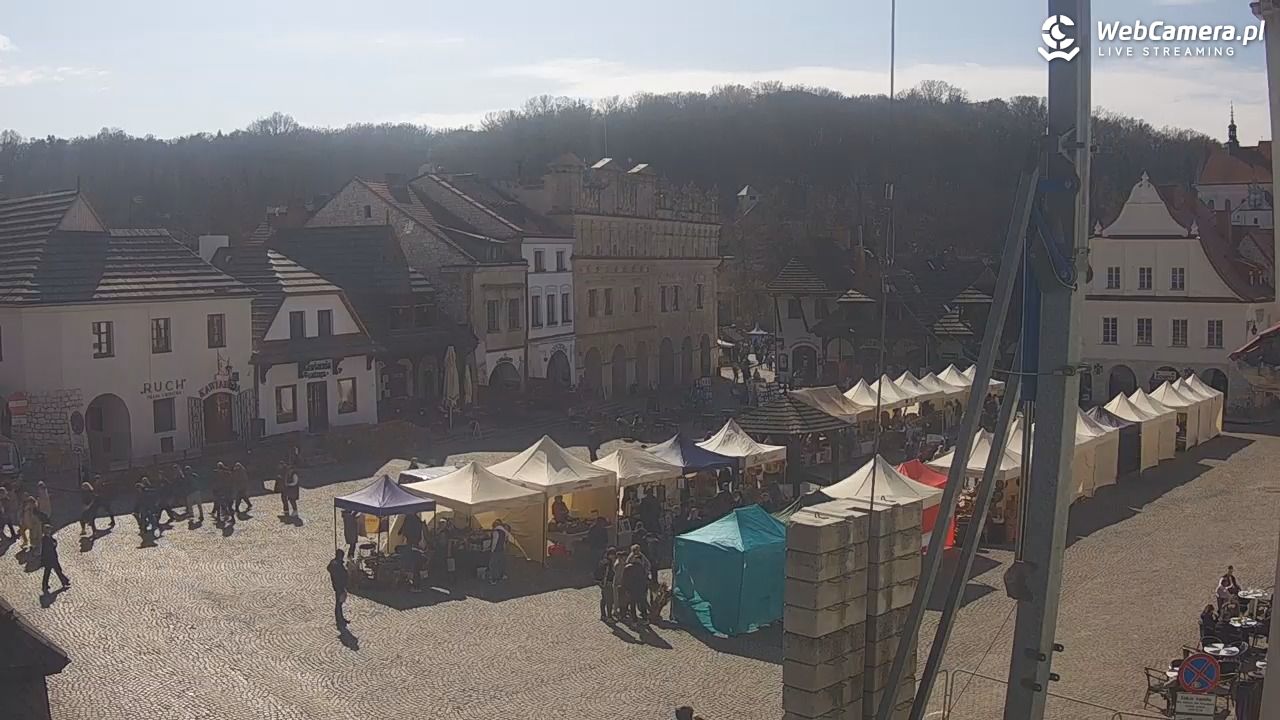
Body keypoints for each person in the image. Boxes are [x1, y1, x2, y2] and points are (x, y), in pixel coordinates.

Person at [622, 545, 650, 623]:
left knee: (639, 602)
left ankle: (642, 617)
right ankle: (636, 619)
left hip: (638, 587)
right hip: (633, 587)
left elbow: (647, 565)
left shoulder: (640, 565)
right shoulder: (629, 567)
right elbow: (626, 579)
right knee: (634, 603)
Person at [39, 525, 70, 596]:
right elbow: (47, 550)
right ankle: (64, 581)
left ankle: (64, 581)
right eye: (49, 530)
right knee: (53, 571)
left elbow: (53, 543)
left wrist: (54, 544)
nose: (50, 531)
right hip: (49, 558)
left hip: (52, 558)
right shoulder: (45, 539)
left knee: (54, 571)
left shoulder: (49, 537)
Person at [328, 548, 349, 627]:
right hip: (339, 586)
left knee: (339, 603)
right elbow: (340, 575)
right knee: (338, 604)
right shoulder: (336, 565)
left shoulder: (335, 564)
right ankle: (339, 619)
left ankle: (340, 618)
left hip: (339, 586)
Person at [595, 547, 617, 621]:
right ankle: (609, 616)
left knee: (604, 599)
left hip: (605, 583)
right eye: (612, 554)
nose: (613, 556)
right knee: (609, 600)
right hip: (607, 583)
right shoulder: (607, 563)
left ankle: (603, 615)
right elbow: (607, 574)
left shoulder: (605, 562)